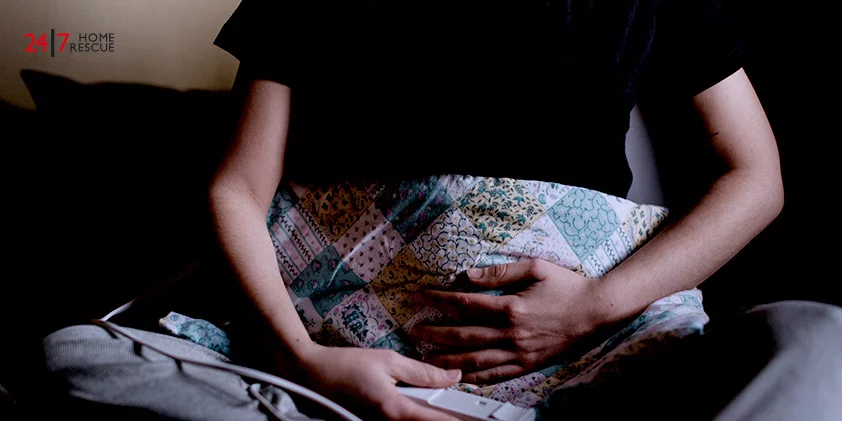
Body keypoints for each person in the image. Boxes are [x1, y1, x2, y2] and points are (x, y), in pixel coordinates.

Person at [42, 0, 842, 420]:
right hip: (334, 365)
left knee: (821, 340)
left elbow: (755, 176)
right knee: (71, 358)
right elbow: (237, 187)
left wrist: (591, 308)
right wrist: (305, 356)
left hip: (595, 364)